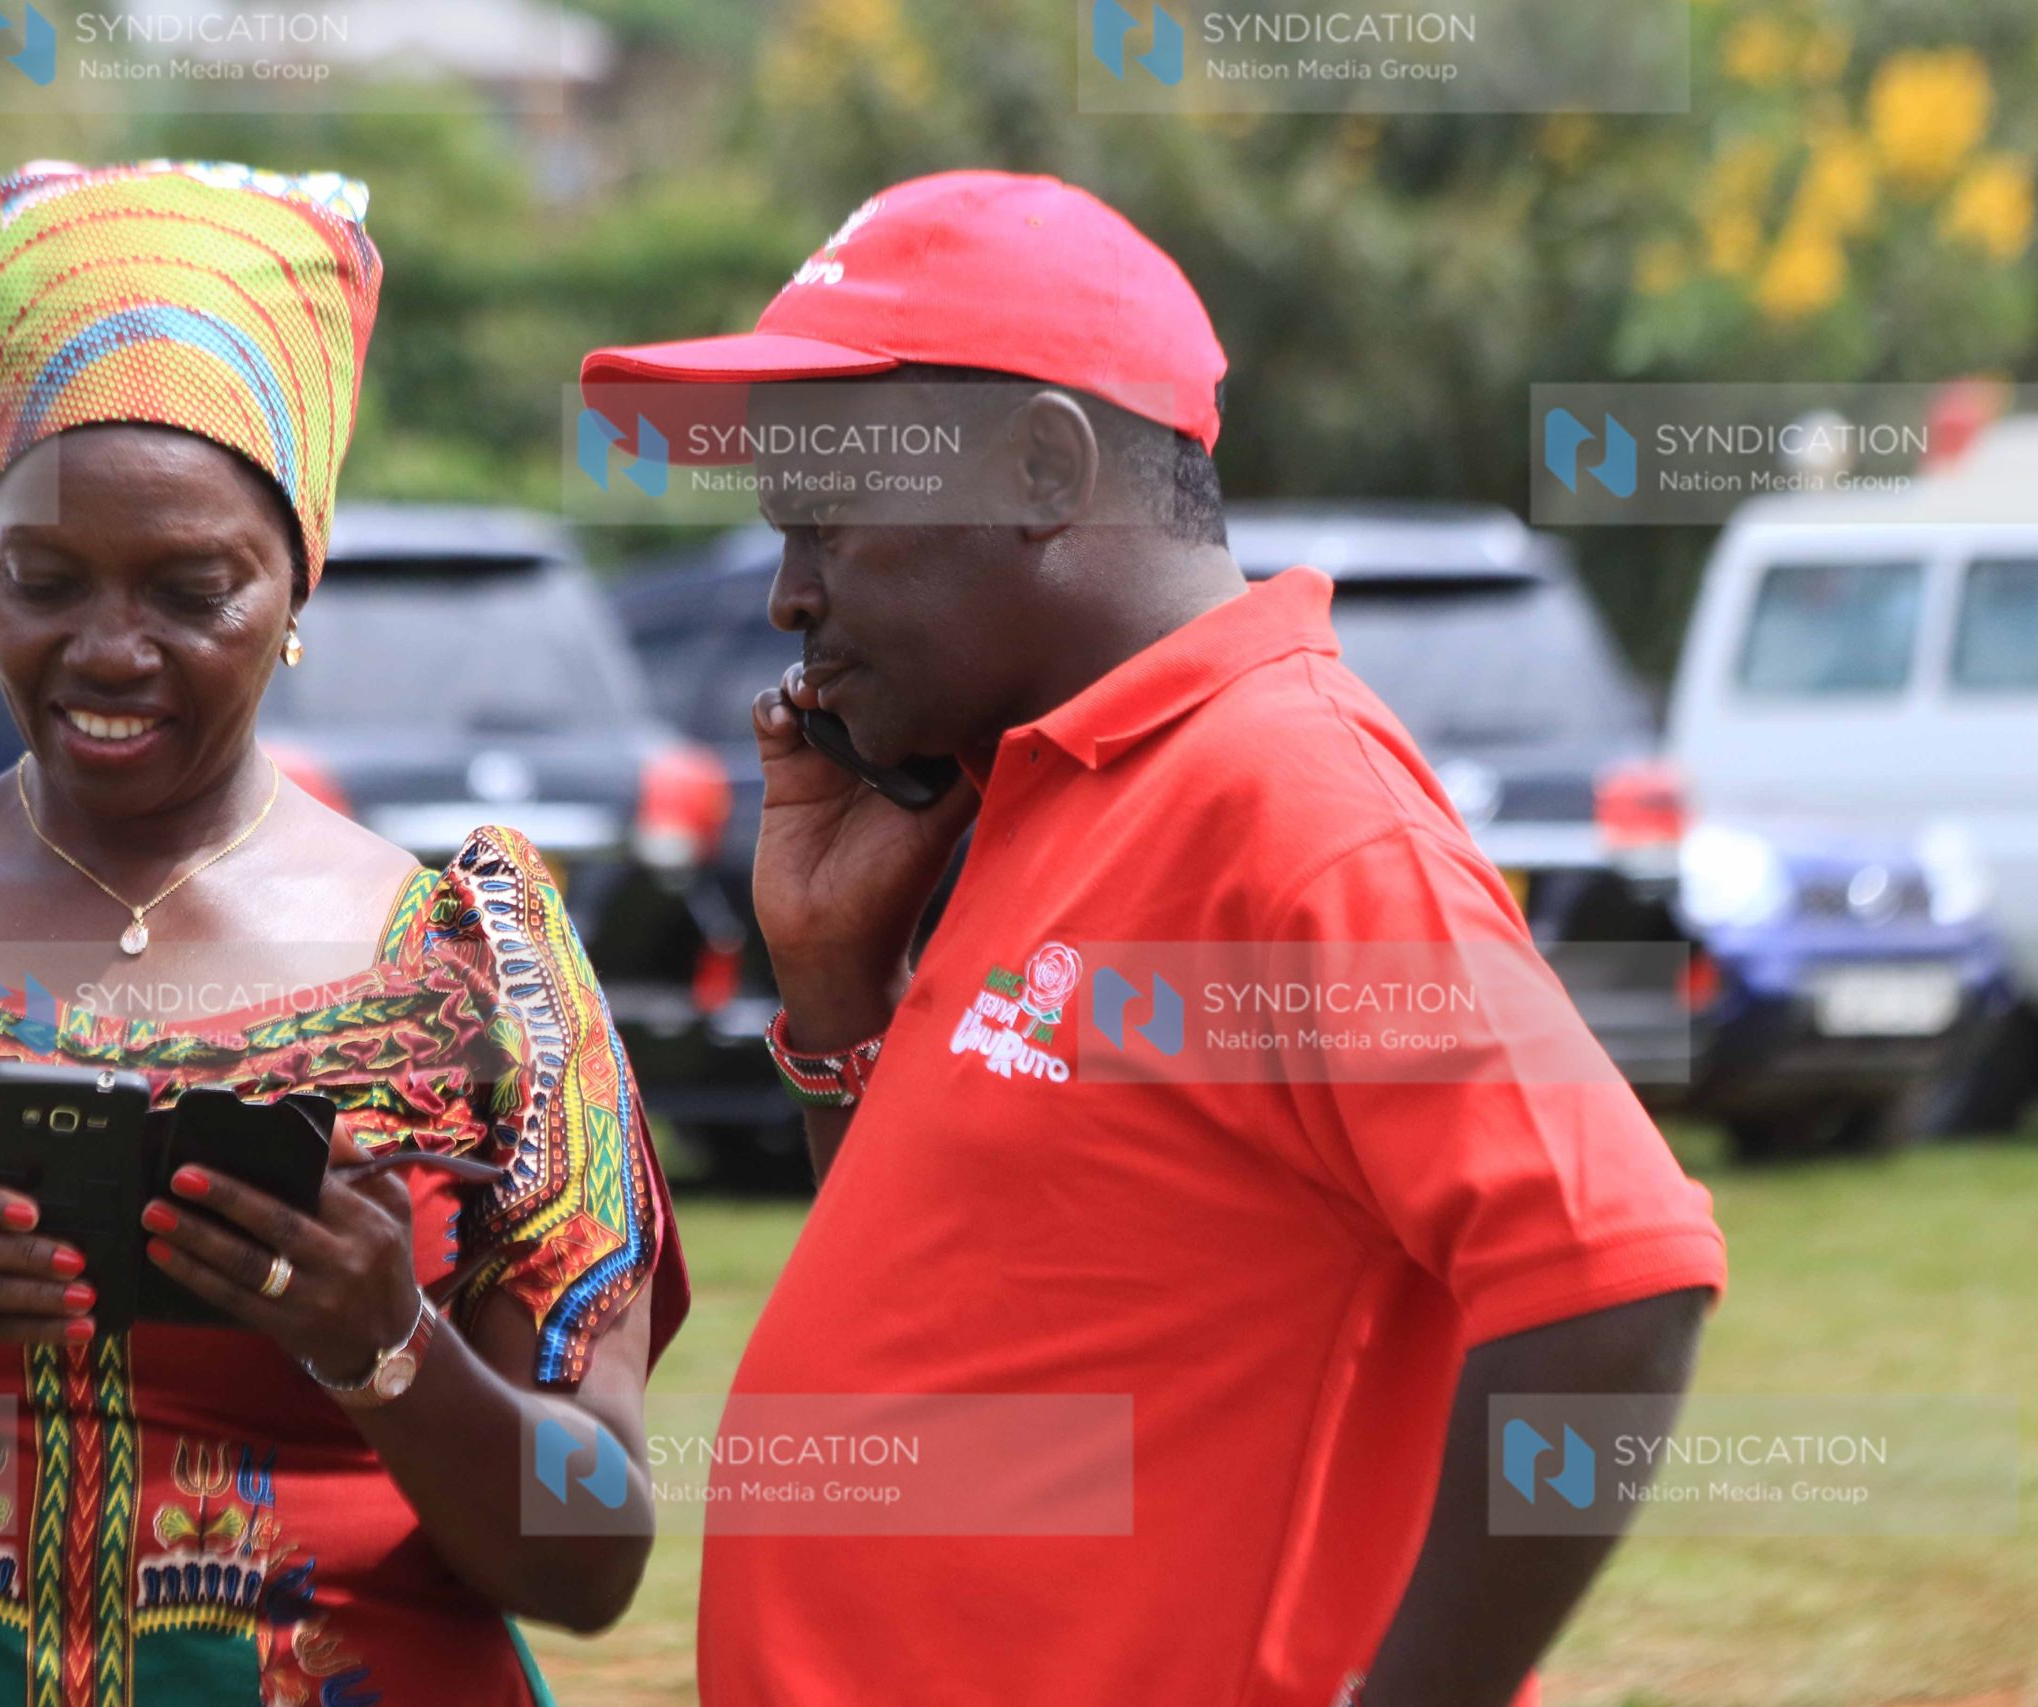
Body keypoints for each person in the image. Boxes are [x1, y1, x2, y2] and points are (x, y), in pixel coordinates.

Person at [0, 159, 686, 1707]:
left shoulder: (476, 968)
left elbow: (593, 1554)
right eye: (46, 580)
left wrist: (386, 1345)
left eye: (192, 588)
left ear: (298, 582)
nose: (110, 649)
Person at [580, 169, 1726, 1707]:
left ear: (1044, 465)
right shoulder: (1054, 781)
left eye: (828, 523)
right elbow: (997, 1331)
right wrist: (842, 993)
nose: (788, 596)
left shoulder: (1290, 797)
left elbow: (1616, 1286)